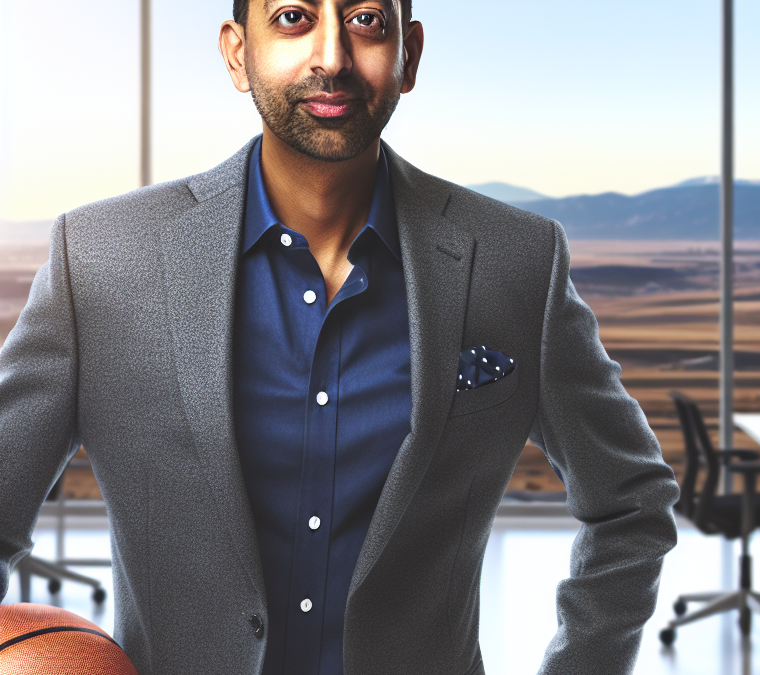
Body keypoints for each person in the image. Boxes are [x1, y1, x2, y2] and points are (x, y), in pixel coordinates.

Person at [0, 1, 679, 673]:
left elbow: (631, 502)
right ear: (239, 52)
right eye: (294, 18)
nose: (332, 56)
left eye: (365, 22)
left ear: (408, 54)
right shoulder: (99, 259)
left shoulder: (516, 260)